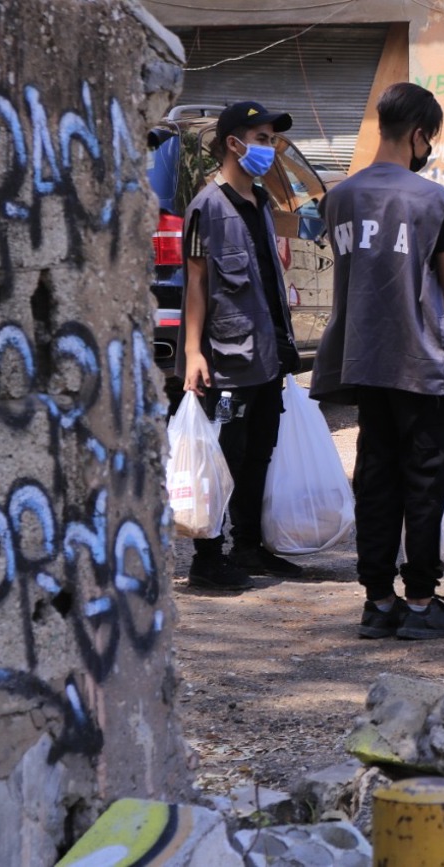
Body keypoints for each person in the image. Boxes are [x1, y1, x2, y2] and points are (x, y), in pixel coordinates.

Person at [310, 83, 444, 639]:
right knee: (425, 483)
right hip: (423, 360)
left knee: (376, 478)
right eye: (429, 138)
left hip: (361, 358)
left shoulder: (339, 197)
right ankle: (425, 601)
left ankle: (378, 601)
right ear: (418, 136)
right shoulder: (432, 201)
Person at [178, 100, 307, 591]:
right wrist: (193, 352)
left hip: (268, 355)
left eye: (272, 139)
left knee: (258, 453)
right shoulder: (206, 207)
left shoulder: (262, 203)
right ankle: (207, 558)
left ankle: (248, 546)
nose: (270, 148)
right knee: (222, 457)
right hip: (226, 361)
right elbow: (196, 284)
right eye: (262, 139)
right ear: (234, 143)